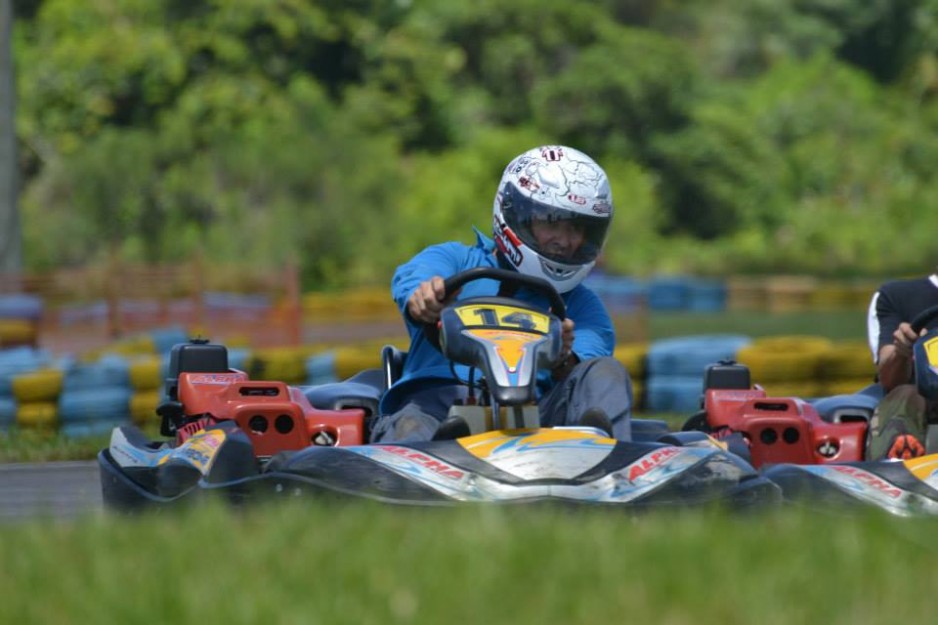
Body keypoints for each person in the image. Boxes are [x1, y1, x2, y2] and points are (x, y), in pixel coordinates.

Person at [369, 145, 633, 443]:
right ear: (515, 213)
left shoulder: (582, 307)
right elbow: (415, 278)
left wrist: (562, 359)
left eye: (577, 228)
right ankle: (437, 451)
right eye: (551, 222)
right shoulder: (455, 260)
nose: (565, 241)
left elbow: (585, 363)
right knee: (412, 425)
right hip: (434, 405)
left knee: (604, 370)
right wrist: (424, 297)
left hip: (536, 420)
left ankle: (602, 454)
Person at [865, 268, 938, 459]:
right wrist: (902, 351)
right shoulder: (897, 296)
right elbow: (889, 378)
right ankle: (899, 461)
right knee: (905, 393)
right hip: (925, 406)